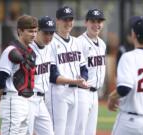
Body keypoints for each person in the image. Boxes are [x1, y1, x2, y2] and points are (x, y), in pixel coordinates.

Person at [45, 6, 88, 135]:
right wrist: (76, 81)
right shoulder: (51, 43)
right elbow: (52, 75)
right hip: (58, 93)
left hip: (74, 92)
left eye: (70, 19)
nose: (68, 23)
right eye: (65, 20)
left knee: (70, 132)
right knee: (57, 131)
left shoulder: (76, 42)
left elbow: (84, 68)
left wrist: (83, 79)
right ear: (57, 21)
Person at [0, 15, 38, 135]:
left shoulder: (30, 52)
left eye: (35, 31)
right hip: (12, 99)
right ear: (20, 31)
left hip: (26, 101)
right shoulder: (11, 51)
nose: (33, 34)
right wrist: (0, 101)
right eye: (30, 31)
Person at [74, 9, 106, 135]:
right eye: (93, 21)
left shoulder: (102, 44)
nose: (96, 24)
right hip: (82, 92)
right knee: (79, 130)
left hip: (95, 94)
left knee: (90, 132)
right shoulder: (79, 42)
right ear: (86, 22)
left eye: (99, 21)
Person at [27, 16, 55, 135]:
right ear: (37, 31)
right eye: (45, 33)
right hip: (27, 100)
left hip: (41, 101)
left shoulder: (49, 48)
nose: (48, 36)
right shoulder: (27, 50)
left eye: (51, 33)